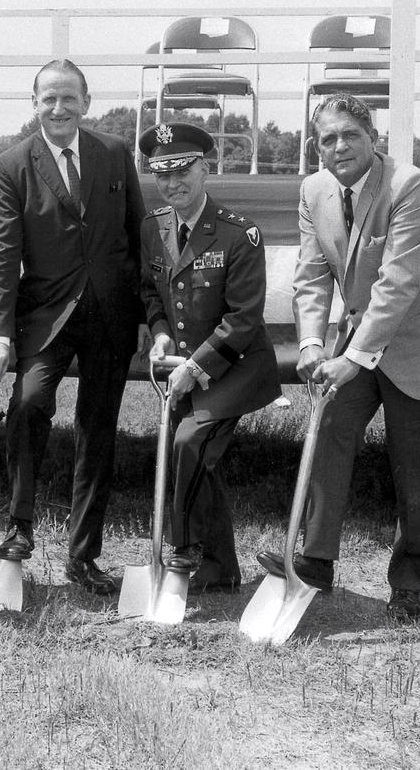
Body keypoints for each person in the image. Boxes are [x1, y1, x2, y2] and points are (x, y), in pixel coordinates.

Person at [257, 92, 420, 622]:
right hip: (358, 343)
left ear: (372, 140)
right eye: (328, 138)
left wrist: (352, 358)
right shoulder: (313, 190)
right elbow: (311, 276)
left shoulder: (410, 187)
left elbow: (397, 284)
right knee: (329, 432)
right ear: (316, 147)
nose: (340, 146)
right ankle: (314, 563)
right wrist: (311, 344)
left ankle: (407, 583)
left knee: (417, 474)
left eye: (351, 135)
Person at [0, 59, 146, 595]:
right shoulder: (10, 166)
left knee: (98, 431)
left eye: (68, 98)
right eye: (48, 98)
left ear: (86, 102)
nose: (58, 108)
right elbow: (1, 255)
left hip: (111, 315)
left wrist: (145, 317)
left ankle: (84, 554)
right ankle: (19, 527)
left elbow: (137, 237)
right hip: (46, 316)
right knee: (27, 403)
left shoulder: (115, 154)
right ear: (34, 104)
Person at [138, 123, 280, 593]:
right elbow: (152, 293)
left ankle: (184, 548)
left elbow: (243, 319)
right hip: (180, 366)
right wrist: (159, 335)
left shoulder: (240, 234)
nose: (173, 183)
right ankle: (222, 570)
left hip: (233, 369)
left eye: (183, 171)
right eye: (163, 175)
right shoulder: (152, 228)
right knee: (202, 461)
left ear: (205, 168)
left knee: (189, 444)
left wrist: (194, 368)